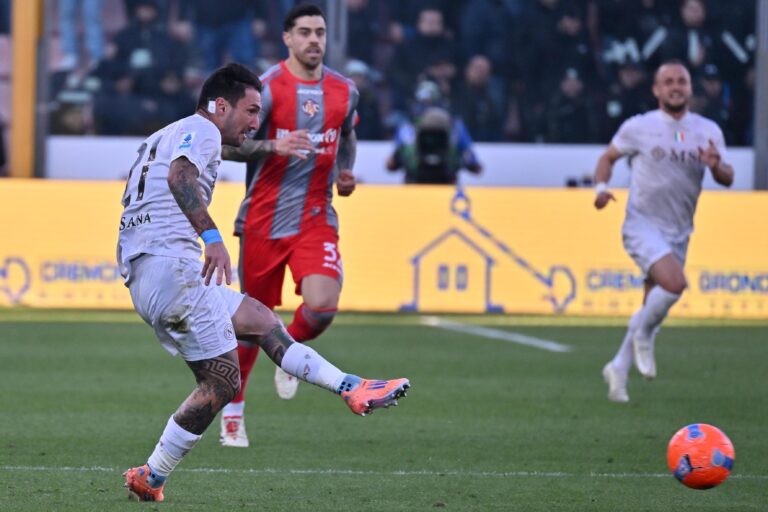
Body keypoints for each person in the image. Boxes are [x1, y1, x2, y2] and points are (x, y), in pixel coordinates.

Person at [117, 62, 409, 501]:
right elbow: (180, 178)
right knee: (221, 384)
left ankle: (351, 386)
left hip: (152, 269)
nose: (256, 122)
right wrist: (212, 238)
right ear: (220, 105)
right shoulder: (205, 130)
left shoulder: (167, 132)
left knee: (261, 320)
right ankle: (152, 475)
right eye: (250, 111)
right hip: (171, 267)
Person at [218, 4, 360, 448]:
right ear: (288, 39)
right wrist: (273, 145)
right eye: (304, 32)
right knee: (249, 323)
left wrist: (345, 170)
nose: (314, 40)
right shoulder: (268, 88)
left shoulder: (345, 90)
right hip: (263, 218)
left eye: (319, 32)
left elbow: (348, 134)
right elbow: (228, 145)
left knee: (321, 307)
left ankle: (289, 354)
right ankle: (233, 411)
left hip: (316, 214)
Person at [594, 61, 733, 403]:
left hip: (679, 230)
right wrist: (600, 187)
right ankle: (644, 334)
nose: (675, 86)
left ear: (689, 88)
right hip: (641, 223)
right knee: (675, 284)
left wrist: (716, 165)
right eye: (668, 81)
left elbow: (727, 177)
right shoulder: (638, 127)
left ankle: (618, 368)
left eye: (681, 81)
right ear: (656, 89)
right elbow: (608, 158)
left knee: (652, 301)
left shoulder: (707, 130)